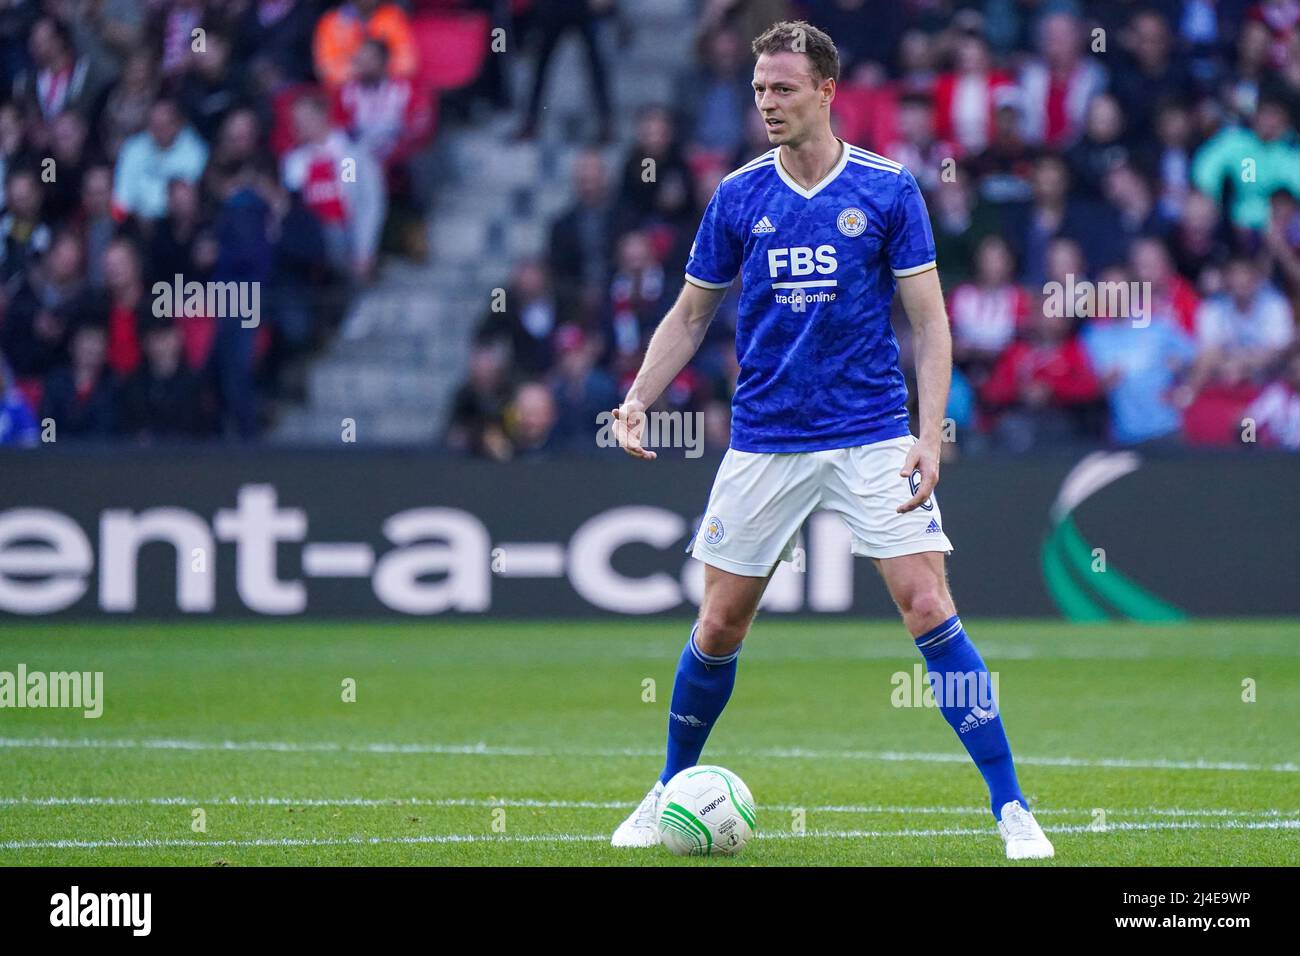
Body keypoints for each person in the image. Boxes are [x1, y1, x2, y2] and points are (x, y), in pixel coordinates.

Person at [607, 21, 1053, 861]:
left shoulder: (887, 189)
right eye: (758, 90)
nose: (767, 103)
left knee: (929, 606)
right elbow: (694, 312)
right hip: (767, 437)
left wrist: (930, 434)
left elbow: (930, 321)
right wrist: (636, 397)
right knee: (719, 626)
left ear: (825, 91)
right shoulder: (739, 195)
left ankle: (1011, 807)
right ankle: (667, 785)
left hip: (873, 431)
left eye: (782, 88)